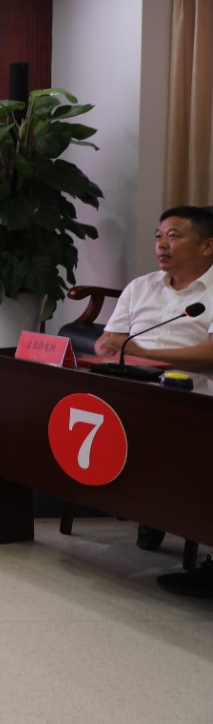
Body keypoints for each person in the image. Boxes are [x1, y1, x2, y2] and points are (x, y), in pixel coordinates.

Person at [91, 205, 213, 597]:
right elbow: (109, 341)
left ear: (208, 246)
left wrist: (147, 353)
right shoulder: (141, 286)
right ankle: (150, 506)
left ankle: (158, 507)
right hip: (131, 390)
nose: (162, 244)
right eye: (158, 236)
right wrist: (108, 346)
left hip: (194, 401)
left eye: (174, 236)